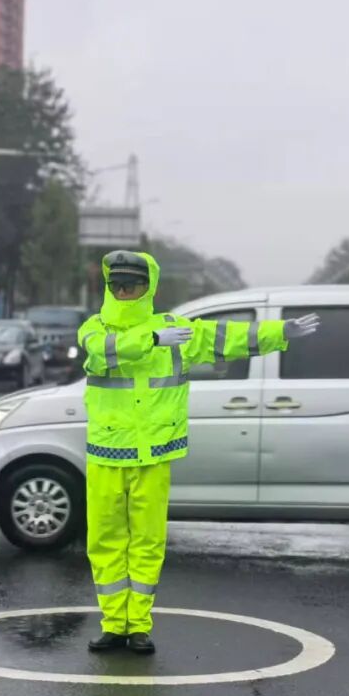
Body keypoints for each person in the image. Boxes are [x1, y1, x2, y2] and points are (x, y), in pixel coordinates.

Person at [77, 250, 320, 655]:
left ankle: (137, 625)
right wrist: (152, 339)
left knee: (148, 542)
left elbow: (230, 338)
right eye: (116, 284)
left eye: (131, 284)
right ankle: (111, 624)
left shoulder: (178, 331)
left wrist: (281, 333)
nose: (123, 291)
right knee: (104, 540)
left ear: (147, 287)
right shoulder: (95, 327)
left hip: (153, 455)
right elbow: (101, 351)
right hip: (106, 453)